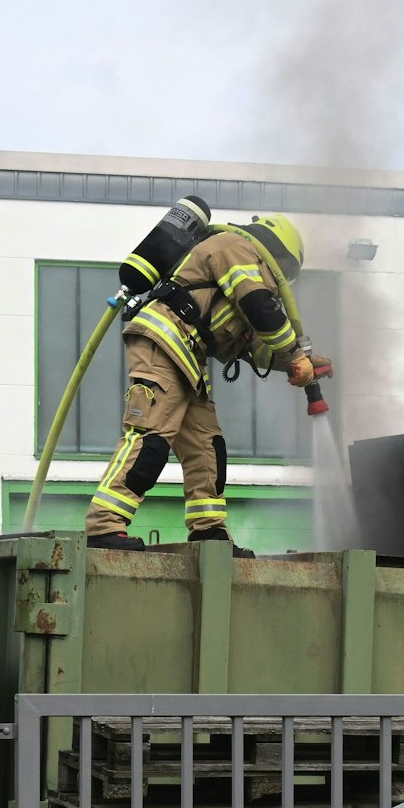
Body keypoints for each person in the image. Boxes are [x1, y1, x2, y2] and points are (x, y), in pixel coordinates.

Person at [83, 215, 328, 555]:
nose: (281, 282)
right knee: (150, 438)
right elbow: (259, 305)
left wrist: (296, 362)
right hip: (164, 342)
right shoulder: (237, 248)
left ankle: (209, 533)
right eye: (284, 271)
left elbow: (251, 344)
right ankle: (103, 527)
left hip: (187, 358)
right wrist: (294, 352)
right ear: (278, 253)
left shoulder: (242, 273)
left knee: (207, 447)